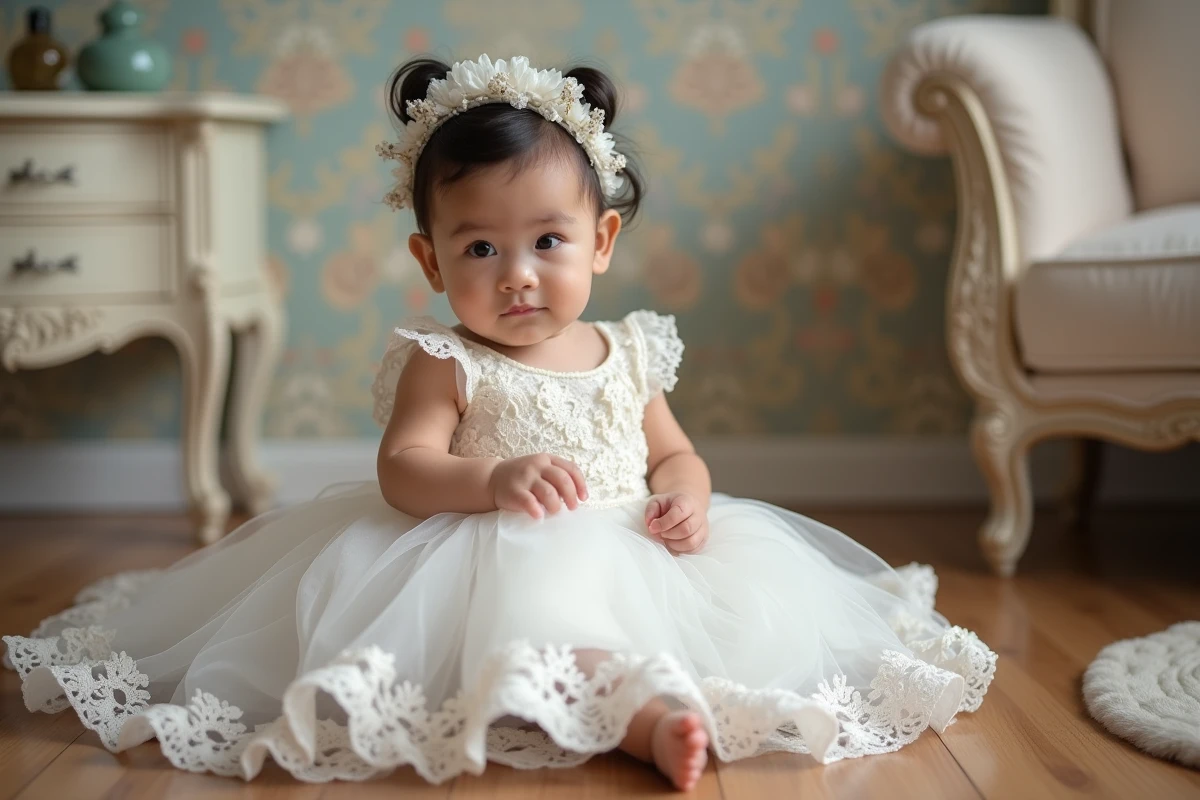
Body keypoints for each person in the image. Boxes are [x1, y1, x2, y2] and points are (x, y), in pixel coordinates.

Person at [3, 55, 995, 791]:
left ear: (601, 241)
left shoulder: (629, 351)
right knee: (541, 616)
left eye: (547, 240)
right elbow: (404, 468)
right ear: (431, 261)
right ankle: (644, 719)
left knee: (735, 627)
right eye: (479, 245)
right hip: (482, 551)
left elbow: (676, 452)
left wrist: (687, 499)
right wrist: (494, 481)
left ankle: (645, 699)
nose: (516, 272)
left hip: (629, 547)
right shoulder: (449, 359)